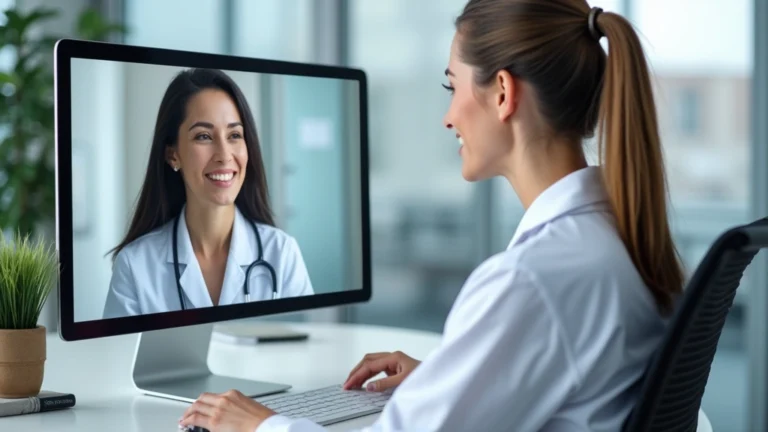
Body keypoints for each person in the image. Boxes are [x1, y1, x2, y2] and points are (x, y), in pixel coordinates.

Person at [178, 1, 685, 430]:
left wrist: (264, 424)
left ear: (504, 94)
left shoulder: (531, 281)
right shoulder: (615, 234)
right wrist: (455, 376)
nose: (448, 116)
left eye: (452, 86)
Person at [103, 68, 314, 319]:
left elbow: (303, 353)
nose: (224, 155)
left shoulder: (282, 253)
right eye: (203, 136)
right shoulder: (135, 265)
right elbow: (119, 357)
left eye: (235, 135)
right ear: (173, 154)